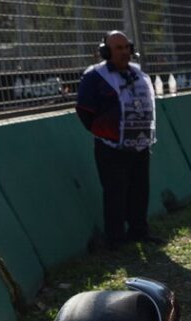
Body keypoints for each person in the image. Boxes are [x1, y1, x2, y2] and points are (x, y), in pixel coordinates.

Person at [75, 30, 161, 249]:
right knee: (115, 192)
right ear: (106, 52)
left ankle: (139, 231)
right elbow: (85, 111)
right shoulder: (95, 76)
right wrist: (106, 131)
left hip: (140, 144)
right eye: (118, 48)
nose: (124, 52)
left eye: (126, 48)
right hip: (111, 147)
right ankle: (116, 238)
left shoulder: (139, 74)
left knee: (140, 190)